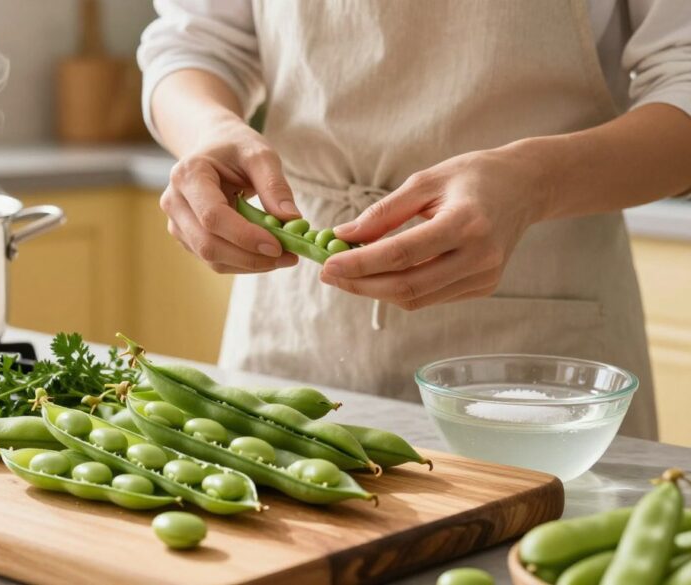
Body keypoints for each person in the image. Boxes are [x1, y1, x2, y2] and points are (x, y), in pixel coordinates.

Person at [137, 0, 691, 439]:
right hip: (295, 317)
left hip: (542, 349)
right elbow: (193, 44)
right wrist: (208, 133)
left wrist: (534, 183)